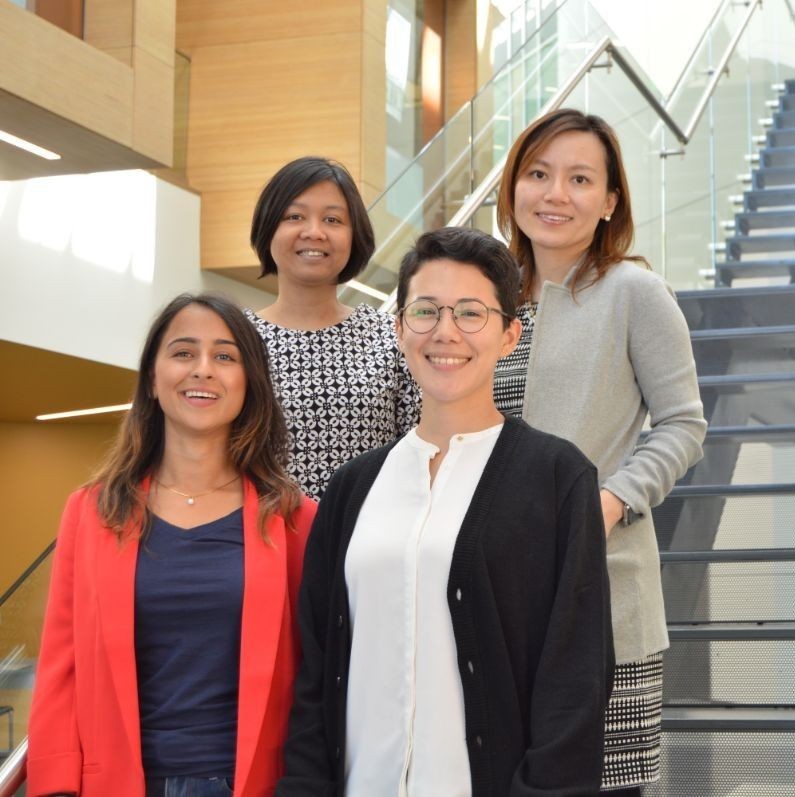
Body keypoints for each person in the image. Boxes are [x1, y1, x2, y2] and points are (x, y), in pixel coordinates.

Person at [277, 227, 614, 797]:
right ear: (399, 327)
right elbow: (314, 674)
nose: (445, 332)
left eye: (470, 313)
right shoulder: (351, 489)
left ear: (510, 334)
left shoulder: (558, 477)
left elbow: (576, 678)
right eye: (426, 311)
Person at [494, 108, 707, 795]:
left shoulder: (634, 293)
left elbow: (682, 424)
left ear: (610, 200)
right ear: (513, 186)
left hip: (602, 595)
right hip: (493, 600)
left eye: (579, 178)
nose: (555, 194)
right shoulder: (483, 298)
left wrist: (609, 501)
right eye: (537, 173)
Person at [27, 293, 317, 797]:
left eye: (225, 356)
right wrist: (54, 785)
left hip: (255, 783)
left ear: (249, 383)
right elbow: (60, 665)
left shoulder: (294, 518)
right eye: (183, 353)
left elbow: (316, 676)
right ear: (152, 378)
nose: (202, 370)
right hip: (121, 783)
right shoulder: (92, 512)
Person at [246, 156, 420, 500]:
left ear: (355, 235)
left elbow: (420, 448)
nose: (314, 231)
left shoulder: (393, 337)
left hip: (368, 538)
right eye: (294, 216)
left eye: (333, 219)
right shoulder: (236, 339)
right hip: (265, 538)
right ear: (269, 228)